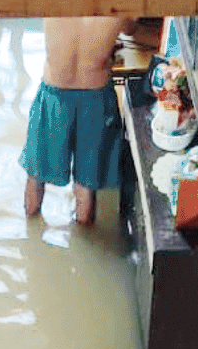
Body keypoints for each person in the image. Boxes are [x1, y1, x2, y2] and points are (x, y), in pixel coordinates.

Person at [20, 17, 137, 226]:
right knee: (86, 182)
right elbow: (130, 29)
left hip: (54, 94)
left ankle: (29, 232)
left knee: (36, 173)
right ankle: (83, 237)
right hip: (96, 96)